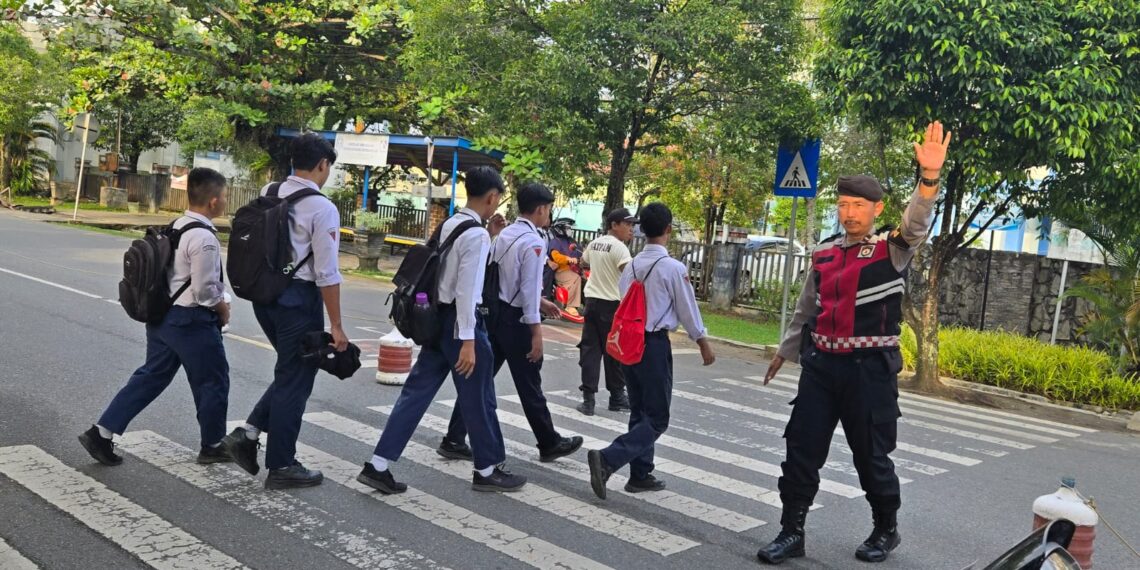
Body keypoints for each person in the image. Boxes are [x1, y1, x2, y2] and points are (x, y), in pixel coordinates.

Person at [756, 121, 951, 565]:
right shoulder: (824, 251)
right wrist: (785, 351)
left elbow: (917, 222)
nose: (849, 213)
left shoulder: (893, 247)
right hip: (822, 366)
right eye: (843, 205)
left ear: (877, 210)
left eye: (858, 205)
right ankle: (792, 531)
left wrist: (929, 180)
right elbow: (807, 307)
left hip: (870, 369)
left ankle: (885, 528)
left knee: (871, 456)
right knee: (801, 450)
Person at [356, 166, 527, 495]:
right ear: (492, 197)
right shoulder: (475, 235)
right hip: (461, 325)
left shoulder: (453, 223)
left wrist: (488, 233)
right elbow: (467, 290)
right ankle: (487, 469)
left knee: (415, 394)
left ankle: (378, 464)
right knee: (479, 397)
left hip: (436, 321)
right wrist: (468, 341)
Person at [79, 168, 232, 466]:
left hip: (163, 317)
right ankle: (212, 445)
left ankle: (101, 432)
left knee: (152, 377)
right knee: (213, 380)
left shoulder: (177, 225)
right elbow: (205, 291)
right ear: (213, 201)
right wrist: (222, 308)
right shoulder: (204, 238)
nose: (226, 201)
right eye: (225, 196)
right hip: (191, 321)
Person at [222, 133, 348, 490]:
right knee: (296, 379)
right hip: (298, 302)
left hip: (266, 297)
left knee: (292, 370)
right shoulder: (323, 208)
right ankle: (281, 464)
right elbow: (327, 273)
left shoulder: (270, 192)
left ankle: (247, 434)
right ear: (323, 164)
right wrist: (336, 325)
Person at [439, 182, 584, 463]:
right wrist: (537, 332)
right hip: (516, 321)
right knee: (530, 383)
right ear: (541, 209)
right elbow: (528, 289)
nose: (549, 214)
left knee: (481, 381)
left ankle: (454, 437)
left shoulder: (505, 234)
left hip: (495, 315)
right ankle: (548, 441)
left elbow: (506, 280)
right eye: (549, 209)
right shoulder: (533, 241)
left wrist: (541, 302)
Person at [586, 202, 716, 499]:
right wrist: (702, 340)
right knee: (657, 417)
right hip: (654, 344)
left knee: (640, 409)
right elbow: (686, 307)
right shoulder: (673, 268)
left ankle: (640, 473)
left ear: (642, 230)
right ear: (668, 230)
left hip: (630, 341)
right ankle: (609, 458)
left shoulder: (631, 265)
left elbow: (622, 296)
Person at [575, 208, 638, 416]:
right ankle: (617, 397)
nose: (631, 229)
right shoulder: (620, 249)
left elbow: (583, 262)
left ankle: (588, 400)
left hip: (591, 302)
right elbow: (629, 274)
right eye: (627, 224)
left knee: (590, 351)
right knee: (614, 352)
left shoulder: (595, 243)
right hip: (612, 306)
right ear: (614, 225)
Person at [547, 219, 584, 320]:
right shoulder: (556, 242)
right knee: (576, 278)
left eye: (570, 228)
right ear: (560, 229)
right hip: (561, 271)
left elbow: (581, 253)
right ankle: (570, 306)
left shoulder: (572, 242)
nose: (570, 230)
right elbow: (556, 257)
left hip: (575, 269)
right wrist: (568, 259)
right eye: (567, 228)